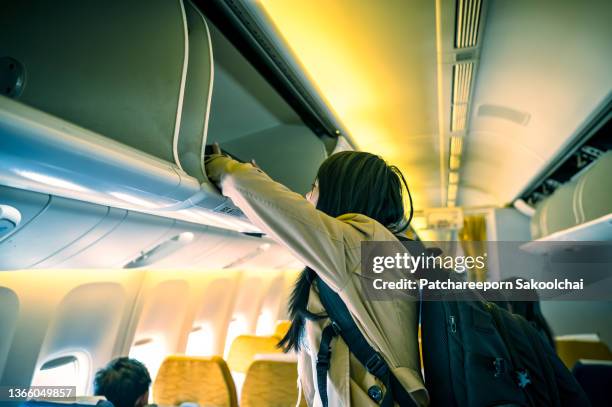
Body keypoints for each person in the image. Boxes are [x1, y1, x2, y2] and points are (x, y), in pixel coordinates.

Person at [206, 148, 427, 406]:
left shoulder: (357, 246)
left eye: (314, 188)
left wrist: (214, 161)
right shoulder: (369, 250)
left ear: (339, 193)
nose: (307, 197)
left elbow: (238, 182)